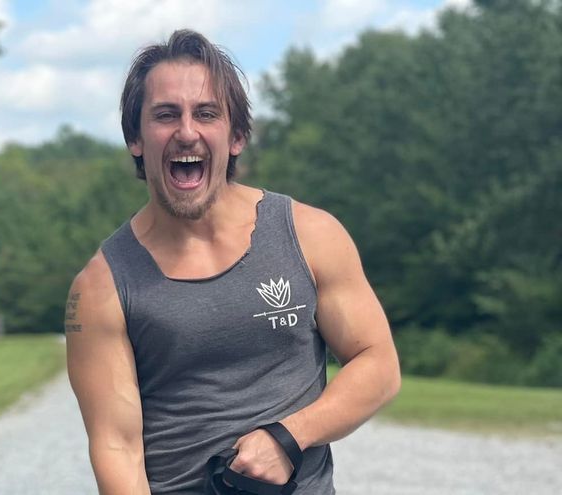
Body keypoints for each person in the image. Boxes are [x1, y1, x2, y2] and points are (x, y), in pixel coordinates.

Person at [65, 29, 400, 494]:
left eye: (206, 114)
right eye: (165, 115)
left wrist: (288, 437)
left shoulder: (310, 235)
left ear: (237, 136)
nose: (187, 132)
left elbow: (378, 364)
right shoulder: (101, 286)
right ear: (136, 138)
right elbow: (117, 447)